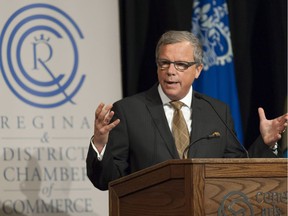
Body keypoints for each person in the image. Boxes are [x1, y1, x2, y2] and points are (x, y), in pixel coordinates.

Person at [86, 30, 288, 191]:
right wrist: (100, 145)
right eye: (164, 63)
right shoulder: (129, 111)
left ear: (198, 70)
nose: (170, 71)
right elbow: (107, 181)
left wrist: (264, 143)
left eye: (180, 65)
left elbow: (236, 172)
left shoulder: (217, 111)